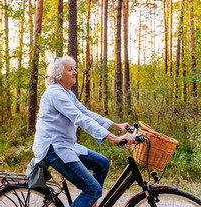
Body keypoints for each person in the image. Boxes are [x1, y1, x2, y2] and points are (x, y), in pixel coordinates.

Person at [32, 56, 136, 207]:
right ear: (59, 75)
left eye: (74, 69)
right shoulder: (55, 93)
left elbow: (86, 113)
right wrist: (115, 138)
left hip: (66, 145)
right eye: (70, 70)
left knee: (102, 164)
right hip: (53, 149)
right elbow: (80, 118)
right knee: (93, 190)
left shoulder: (67, 93)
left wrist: (116, 125)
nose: (75, 72)